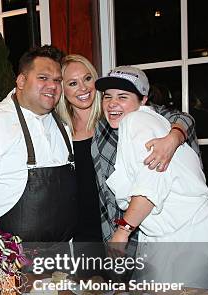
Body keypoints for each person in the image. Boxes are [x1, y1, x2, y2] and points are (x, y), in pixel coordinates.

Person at [96, 66, 208, 289]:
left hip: (185, 241)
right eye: (107, 97)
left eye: (122, 97)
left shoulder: (136, 122)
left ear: (143, 100)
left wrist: (122, 232)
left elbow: (150, 185)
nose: (112, 103)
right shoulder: (146, 122)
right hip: (181, 236)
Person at [56, 55, 200, 250]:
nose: (83, 88)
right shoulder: (59, 130)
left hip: (122, 226)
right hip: (80, 230)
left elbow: (182, 118)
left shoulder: (117, 114)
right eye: (73, 83)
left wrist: (172, 139)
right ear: (62, 90)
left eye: (88, 78)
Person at [0, 45, 77, 242]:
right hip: (13, 259)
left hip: (64, 255)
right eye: (43, 78)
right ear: (21, 81)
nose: (53, 86)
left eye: (57, 80)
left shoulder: (62, 126)